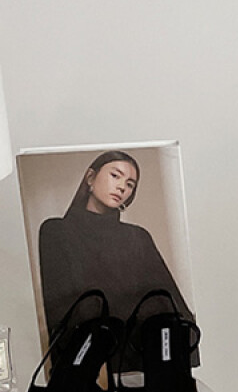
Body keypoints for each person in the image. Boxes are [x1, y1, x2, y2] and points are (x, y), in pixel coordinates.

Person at [38, 150, 199, 375]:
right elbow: (61, 307)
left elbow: (168, 301)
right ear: (90, 177)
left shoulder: (138, 237)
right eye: (115, 175)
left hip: (143, 362)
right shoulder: (56, 231)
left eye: (130, 184)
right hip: (87, 362)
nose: (122, 187)